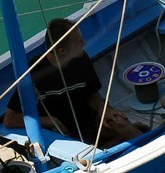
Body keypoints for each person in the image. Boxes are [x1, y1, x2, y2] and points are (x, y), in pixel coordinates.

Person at [26, 18, 140, 146]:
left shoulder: (81, 59)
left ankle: (145, 145)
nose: (84, 43)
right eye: (79, 42)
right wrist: (49, 121)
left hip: (91, 123)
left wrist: (102, 109)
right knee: (87, 151)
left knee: (119, 122)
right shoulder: (34, 71)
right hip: (63, 133)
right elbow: (10, 119)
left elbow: (92, 92)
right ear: (62, 51)